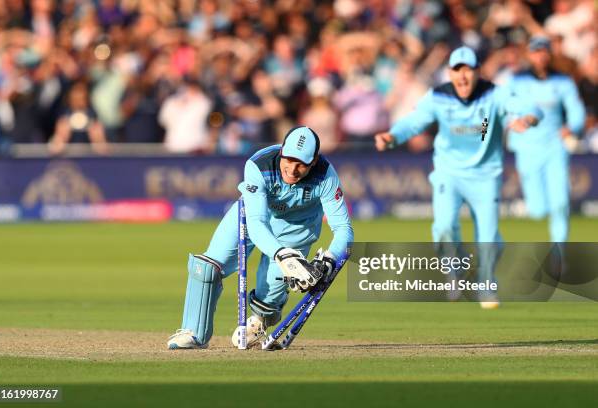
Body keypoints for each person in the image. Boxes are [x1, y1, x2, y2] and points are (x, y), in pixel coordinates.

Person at [374, 46, 542, 309]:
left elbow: (530, 108)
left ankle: (486, 284)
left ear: (477, 71)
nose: (462, 76)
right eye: (457, 70)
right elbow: (415, 121)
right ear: (449, 73)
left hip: (486, 175)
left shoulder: (494, 93)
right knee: (443, 228)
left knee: (487, 236)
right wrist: (393, 136)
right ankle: (457, 270)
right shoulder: (438, 96)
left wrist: (527, 120)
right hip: (448, 173)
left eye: (468, 69)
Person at [167, 126, 354, 349]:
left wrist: (330, 260)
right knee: (208, 266)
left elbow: (344, 228)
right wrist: (281, 254)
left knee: (270, 296)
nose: (292, 170)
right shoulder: (259, 164)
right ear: (282, 151)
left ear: (313, 162)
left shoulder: (325, 175)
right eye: (289, 160)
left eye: (301, 164)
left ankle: (259, 322)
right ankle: (193, 333)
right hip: (253, 215)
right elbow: (257, 222)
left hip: (297, 227)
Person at [506, 37, 586, 243]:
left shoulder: (563, 81)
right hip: (527, 147)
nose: (540, 56)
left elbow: (576, 111)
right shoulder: (517, 80)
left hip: (555, 146)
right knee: (538, 210)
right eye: (536, 51)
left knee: (560, 202)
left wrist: (571, 127)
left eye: (544, 51)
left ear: (549, 54)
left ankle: (559, 253)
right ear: (529, 54)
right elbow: (505, 106)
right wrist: (512, 121)